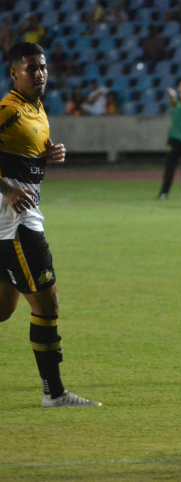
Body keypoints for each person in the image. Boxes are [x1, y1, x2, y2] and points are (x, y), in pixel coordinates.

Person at [0, 42, 101, 408]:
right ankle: (54, 393)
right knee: (47, 304)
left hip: (20, 220)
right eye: (31, 67)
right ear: (14, 73)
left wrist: (48, 155)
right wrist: (9, 190)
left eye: (42, 66)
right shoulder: (8, 110)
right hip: (14, 224)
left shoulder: (37, 108)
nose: (40, 72)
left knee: (3, 309)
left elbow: (20, 156)